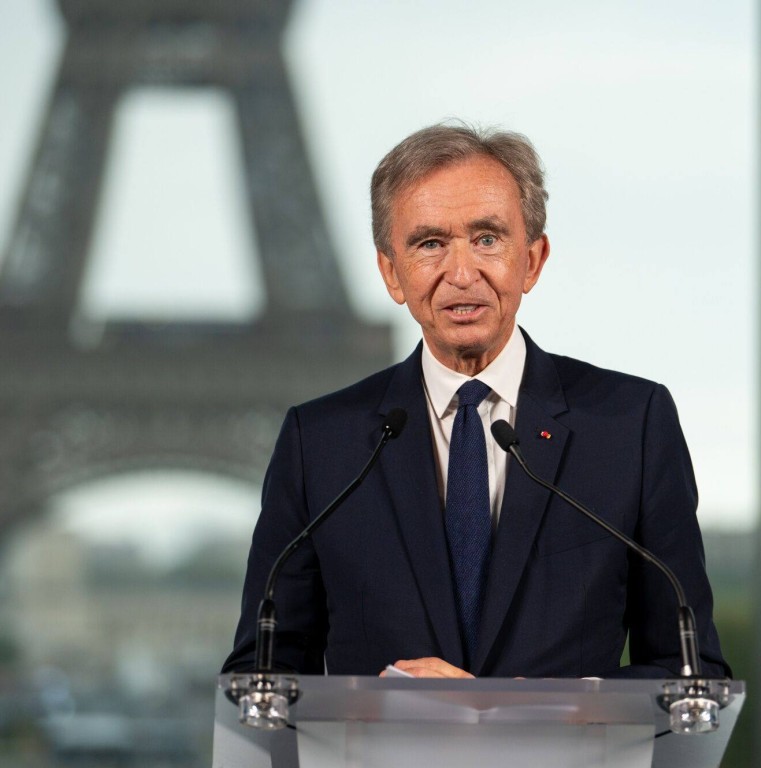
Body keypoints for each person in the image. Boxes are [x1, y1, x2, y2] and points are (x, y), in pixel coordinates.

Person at [223, 124, 729, 680]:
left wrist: (545, 711)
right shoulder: (319, 442)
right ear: (392, 272)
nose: (462, 274)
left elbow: (692, 672)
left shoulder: (631, 426)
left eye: (487, 238)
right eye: (430, 244)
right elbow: (262, 676)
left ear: (532, 260)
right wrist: (376, 711)